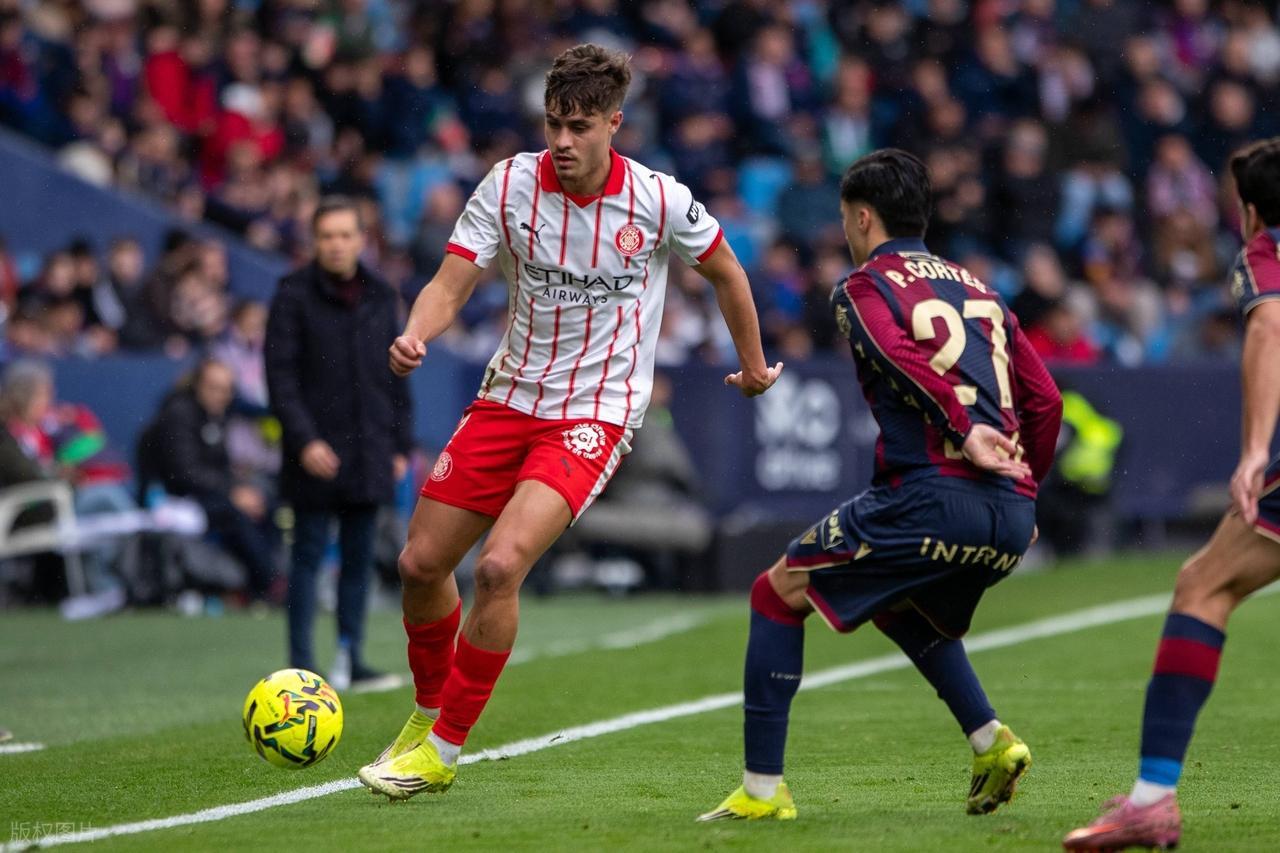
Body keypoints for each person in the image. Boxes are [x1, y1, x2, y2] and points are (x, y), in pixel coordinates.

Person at [357, 43, 781, 800]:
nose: (561, 140)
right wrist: (416, 333)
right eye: (553, 123)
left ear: (613, 124)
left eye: (579, 126)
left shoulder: (657, 199)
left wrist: (753, 366)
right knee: (419, 564)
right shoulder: (509, 184)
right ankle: (425, 717)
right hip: (507, 397)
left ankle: (443, 751)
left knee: (498, 566)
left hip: (595, 412)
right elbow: (451, 282)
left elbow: (727, 271)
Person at [698, 149, 1063, 822]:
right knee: (897, 604)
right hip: (1010, 514)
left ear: (863, 218)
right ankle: (991, 741)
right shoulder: (983, 292)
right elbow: (1046, 401)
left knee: (776, 594)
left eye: (845, 220)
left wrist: (961, 427)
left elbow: (895, 352)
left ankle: (762, 790)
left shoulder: (865, 286)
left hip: (931, 497)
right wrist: (1026, 488)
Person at [1063, 139, 1280, 850]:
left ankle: (1152, 800)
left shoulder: (1264, 250)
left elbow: (1269, 327)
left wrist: (1255, 451)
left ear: (1250, 212)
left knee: (1201, 587)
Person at [265, 197, 413, 690]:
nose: (336, 244)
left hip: (369, 449)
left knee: (358, 557)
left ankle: (351, 657)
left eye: (345, 235)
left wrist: (399, 445)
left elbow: (397, 374)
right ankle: (301, 666)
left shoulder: (380, 293)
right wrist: (304, 441)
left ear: (362, 239)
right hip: (313, 455)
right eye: (327, 235)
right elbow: (280, 378)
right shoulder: (292, 294)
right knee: (307, 557)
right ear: (314, 241)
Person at [137, 358, 277, 601]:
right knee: (234, 512)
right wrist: (232, 492)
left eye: (226, 390)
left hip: (207, 495)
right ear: (198, 386)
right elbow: (184, 474)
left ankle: (264, 580)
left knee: (265, 501)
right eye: (214, 388)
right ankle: (269, 583)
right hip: (173, 500)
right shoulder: (178, 414)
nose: (220, 396)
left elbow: (218, 467)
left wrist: (239, 487)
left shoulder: (217, 415)